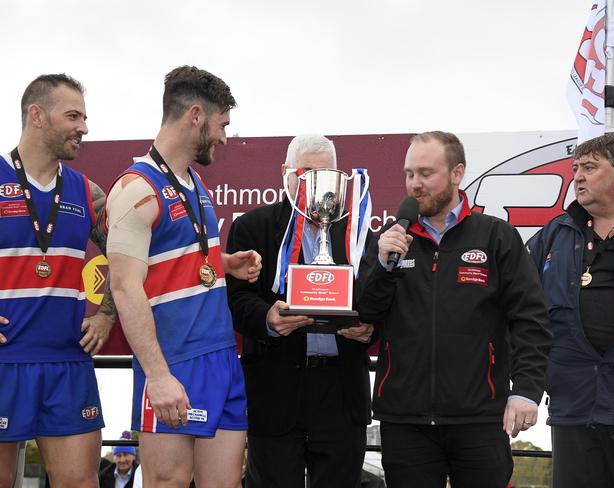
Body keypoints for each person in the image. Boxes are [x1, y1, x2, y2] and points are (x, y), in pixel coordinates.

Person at [356, 131, 551, 488]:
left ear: (457, 173)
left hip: (479, 417)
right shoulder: (390, 239)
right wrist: (382, 265)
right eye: (409, 174)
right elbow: (366, 315)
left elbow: (531, 318)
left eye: (426, 173)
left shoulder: (496, 236)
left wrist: (525, 390)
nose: (415, 184)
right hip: (405, 418)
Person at [106, 66, 261, 488]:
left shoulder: (194, 182)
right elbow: (123, 286)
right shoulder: (135, 188)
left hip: (222, 357)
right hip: (174, 361)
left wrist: (225, 263)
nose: (226, 137)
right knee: (167, 482)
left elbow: (174, 259)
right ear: (196, 114)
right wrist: (157, 375)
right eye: (222, 124)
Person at [226, 134, 373, 488]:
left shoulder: (355, 231)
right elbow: (237, 299)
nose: (314, 183)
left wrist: (372, 326)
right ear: (285, 173)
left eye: (325, 174)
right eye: (305, 172)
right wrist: (267, 318)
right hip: (275, 390)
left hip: (341, 392)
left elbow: (376, 299)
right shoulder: (251, 227)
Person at [0, 74, 115, 488]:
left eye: (84, 117)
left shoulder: (88, 191)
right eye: (73, 115)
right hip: (5, 360)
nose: (83, 127)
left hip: (68, 362)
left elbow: (126, 258)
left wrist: (105, 316)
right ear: (37, 116)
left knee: (81, 483)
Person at [527, 133, 614, 487]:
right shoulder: (555, 234)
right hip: (574, 410)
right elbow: (517, 305)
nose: (577, 176)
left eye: (590, 168)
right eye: (575, 168)